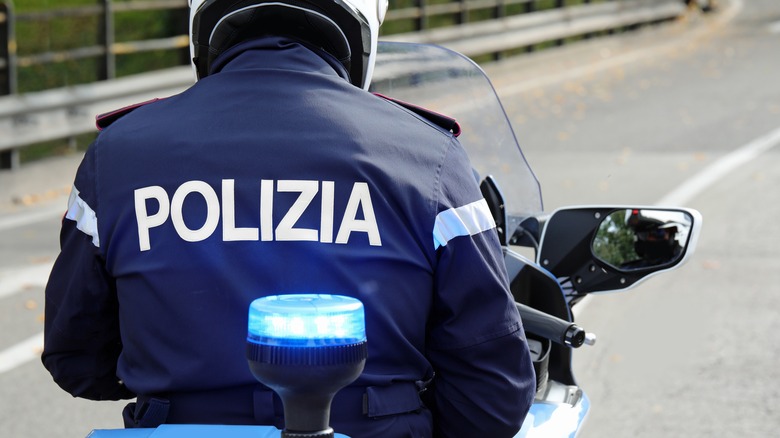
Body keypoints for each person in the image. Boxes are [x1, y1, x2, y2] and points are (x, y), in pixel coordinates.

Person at [41, 0, 536, 436]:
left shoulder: (118, 155)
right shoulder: (429, 156)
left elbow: (77, 357)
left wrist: (172, 384)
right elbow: (492, 392)